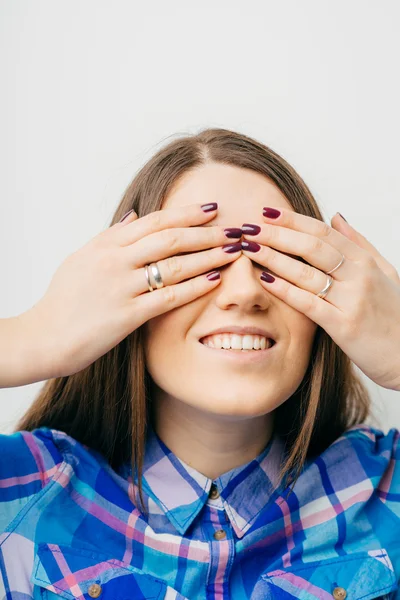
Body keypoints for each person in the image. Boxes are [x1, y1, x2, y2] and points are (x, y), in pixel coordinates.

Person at [1, 128, 400, 600]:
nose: (246, 292)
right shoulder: (23, 493)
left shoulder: (385, 494)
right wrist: (33, 336)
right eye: (193, 260)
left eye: (281, 261)